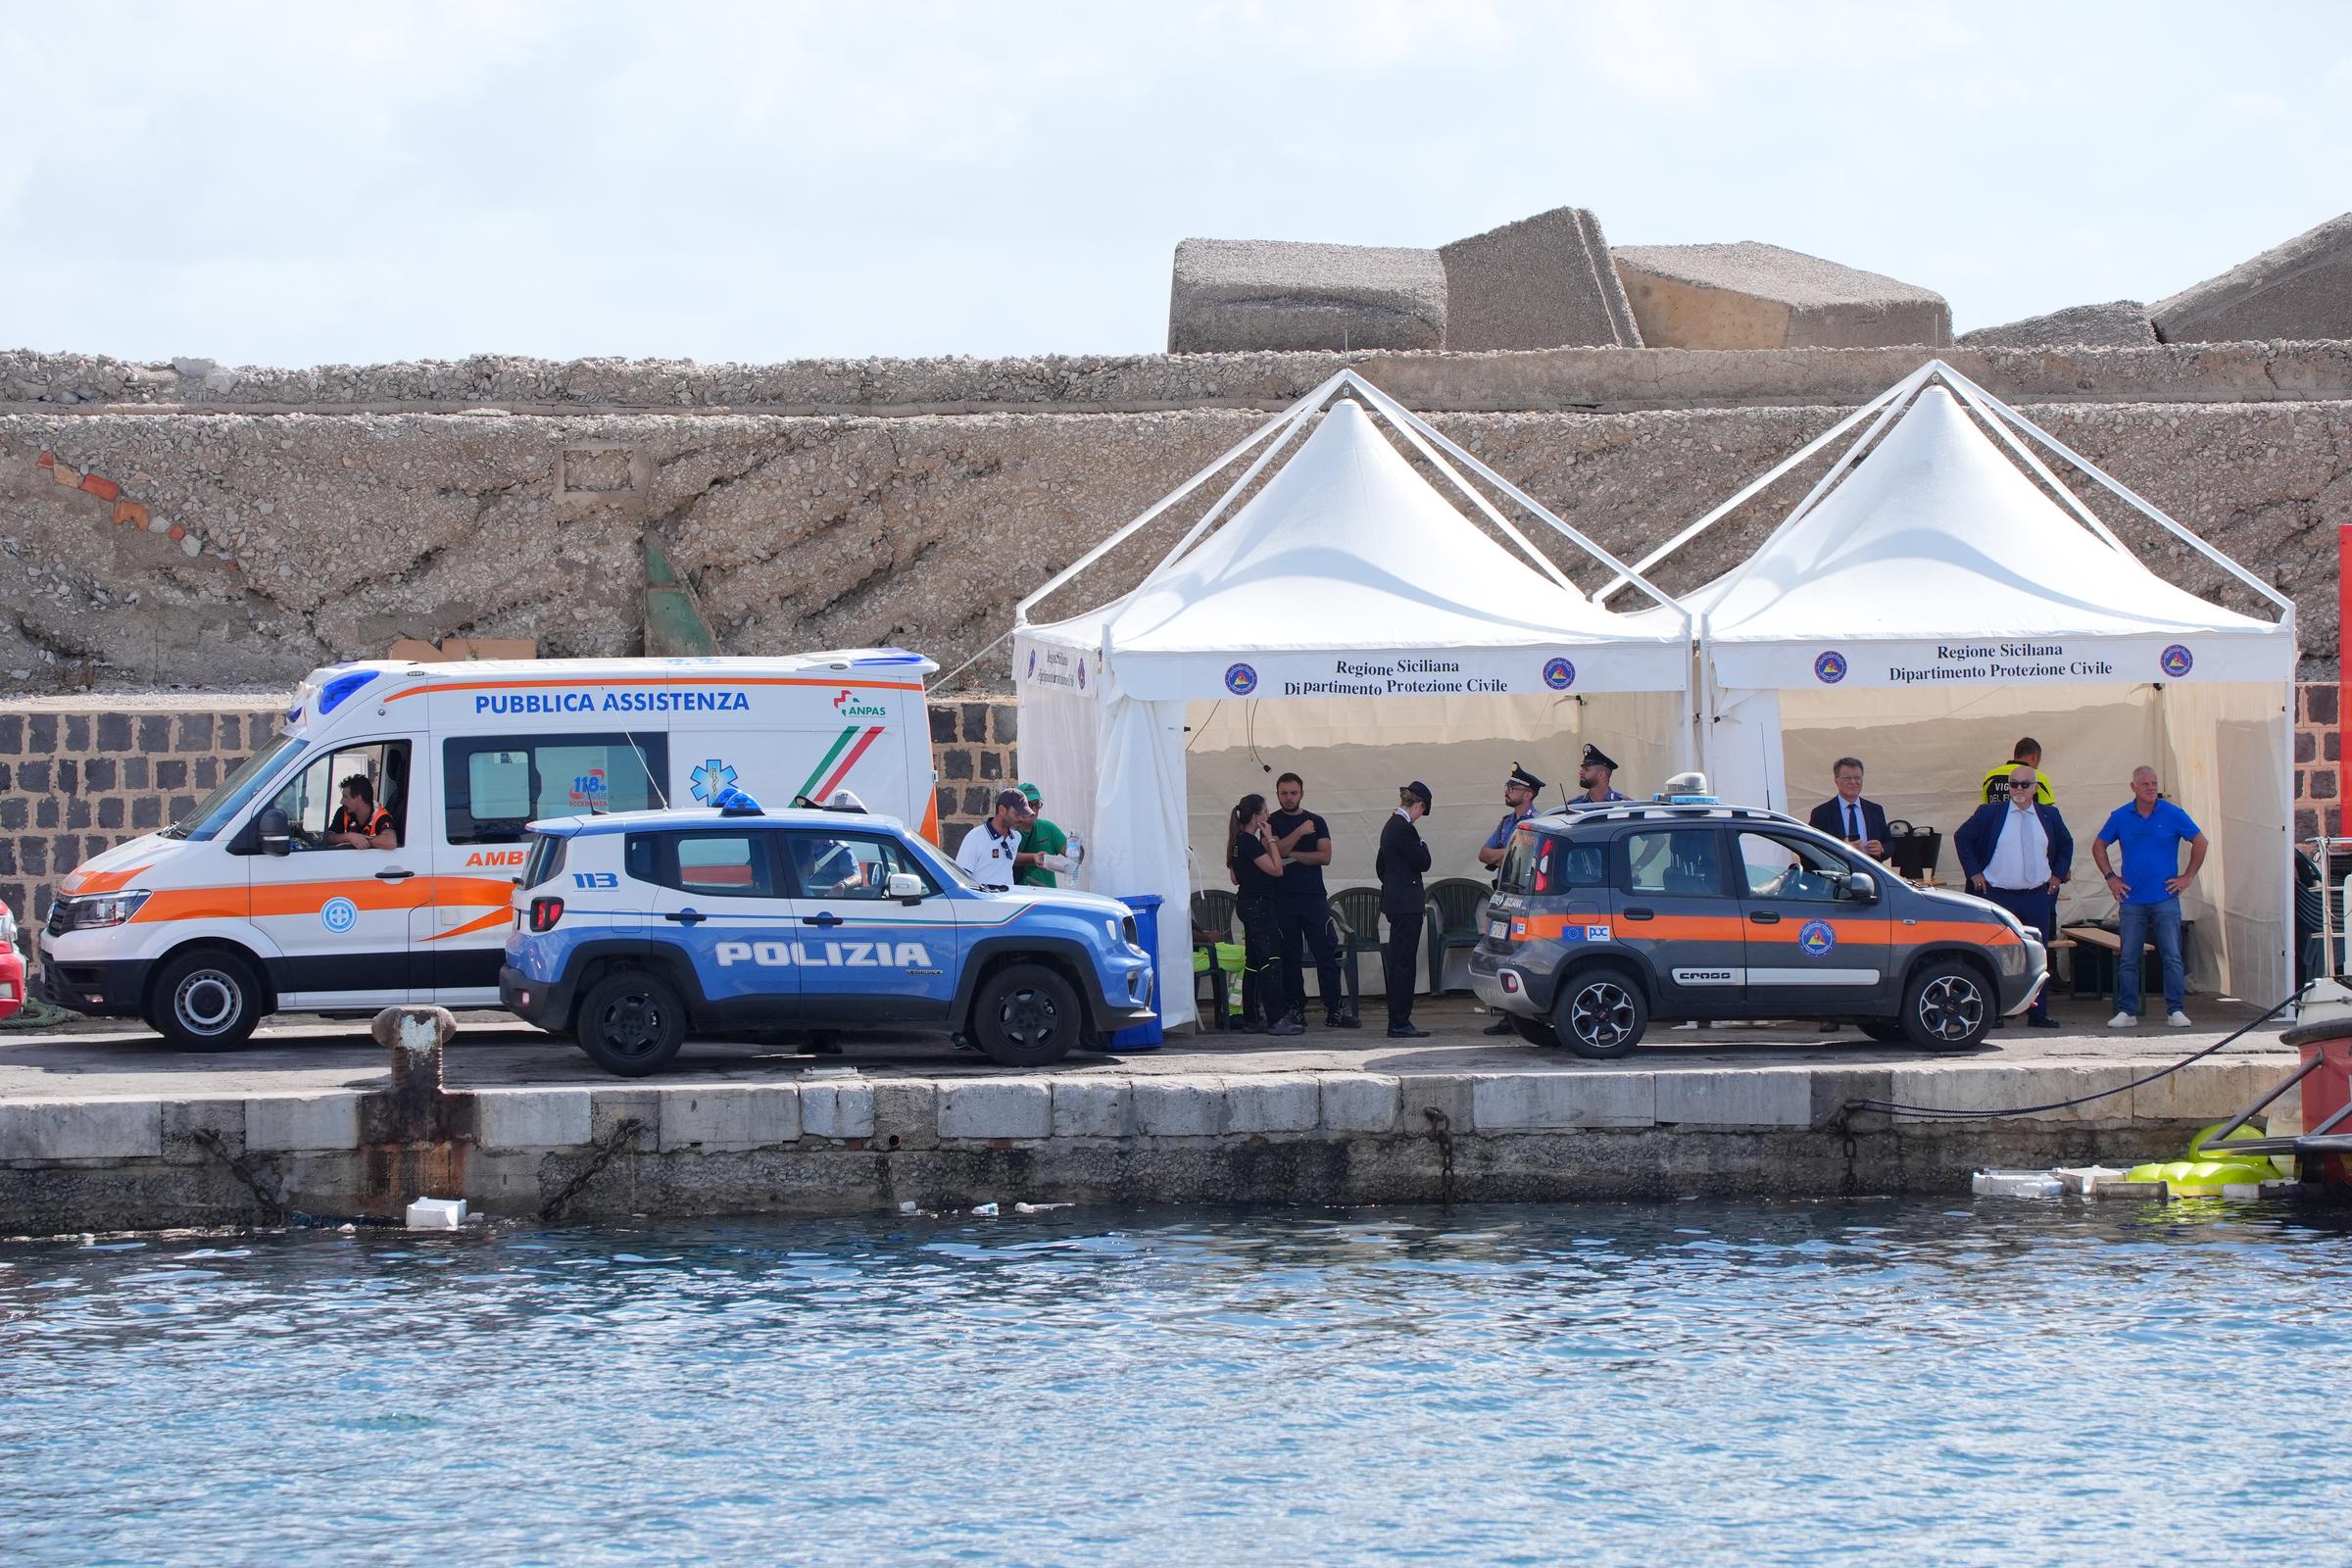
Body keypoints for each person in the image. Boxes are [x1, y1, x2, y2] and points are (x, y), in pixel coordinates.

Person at [1955, 765, 2074, 1028]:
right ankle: (1995, 1012)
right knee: (1996, 954)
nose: (2018, 789)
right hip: (1998, 895)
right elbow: (1962, 837)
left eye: (2024, 784)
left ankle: (2038, 1012)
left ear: (2035, 788)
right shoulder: (1991, 813)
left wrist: (2058, 875)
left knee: (2037, 955)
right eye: (2014, 785)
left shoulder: (2049, 815)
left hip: (2036, 896)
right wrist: (1974, 872)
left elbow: (2066, 844)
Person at [2091, 766, 2207, 1028]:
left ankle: (2175, 1009)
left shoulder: (2172, 813)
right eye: (2144, 784)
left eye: (2154, 783)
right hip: (2132, 898)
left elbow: (2201, 841)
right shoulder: (2121, 816)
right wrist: (2111, 877)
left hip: (2165, 897)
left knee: (2172, 955)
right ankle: (2127, 1011)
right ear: (2133, 787)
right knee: (2129, 956)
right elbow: (2098, 845)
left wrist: (2188, 877)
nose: (2151, 787)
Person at [1267, 772, 1357, 1029]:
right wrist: (1298, 834)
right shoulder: (1272, 821)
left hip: (1314, 898)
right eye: (1284, 793)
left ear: (1302, 793)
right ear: (1277, 795)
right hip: (1283, 899)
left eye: (1293, 793)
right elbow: (1276, 851)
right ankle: (1295, 1008)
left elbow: (1325, 857)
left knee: (1325, 953)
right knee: (1290, 956)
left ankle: (1334, 1010)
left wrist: (1292, 854)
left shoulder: (1317, 821)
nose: (1289, 798)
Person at [1226, 793, 1303, 1037]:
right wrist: (1270, 840)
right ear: (1257, 816)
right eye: (1265, 811)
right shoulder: (1249, 842)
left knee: (1253, 963)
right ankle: (1276, 1018)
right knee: (1271, 961)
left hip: (1247, 902)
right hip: (1260, 905)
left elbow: (1235, 877)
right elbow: (1277, 869)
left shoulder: (1237, 842)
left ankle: (1251, 1017)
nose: (1269, 815)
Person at [1476, 761, 1544, 1033]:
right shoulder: (1506, 823)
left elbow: (1532, 858)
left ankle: (1525, 1016)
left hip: (1525, 896)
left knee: (1521, 952)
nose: (1507, 791)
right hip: (1504, 895)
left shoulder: (1536, 822)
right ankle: (1509, 1017)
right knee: (1503, 952)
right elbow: (1483, 854)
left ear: (1527, 794)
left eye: (1513, 787)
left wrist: (1503, 853)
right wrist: (1511, 851)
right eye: (1508, 786)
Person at [1378, 780, 1434, 1038]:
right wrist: (1423, 844)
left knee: (1399, 960)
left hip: (1396, 901)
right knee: (1404, 963)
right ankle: (1400, 1021)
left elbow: (1381, 866)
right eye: (1423, 810)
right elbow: (1423, 863)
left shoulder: (1390, 826)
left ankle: (1398, 1019)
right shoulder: (1404, 829)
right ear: (1419, 805)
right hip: (1406, 904)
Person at [1806, 757, 1887, 858]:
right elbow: (1812, 848)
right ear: (1836, 780)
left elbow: (1889, 842)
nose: (1853, 782)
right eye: (1847, 778)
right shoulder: (1821, 813)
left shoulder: (1875, 810)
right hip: (1836, 871)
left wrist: (1882, 849)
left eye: (1857, 777)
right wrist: (1840, 848)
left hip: (1870, 871)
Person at [955, 789, 1031, 891]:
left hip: (1008, 902)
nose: (1021, 819)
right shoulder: (975, 837)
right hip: (983, 903)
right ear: (1002, 810)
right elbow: (960, 878)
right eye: (1017, 814)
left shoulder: (1016, 837)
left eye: (1023, 814)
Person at [1014, 782, 1072, 889]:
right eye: (1029, 804)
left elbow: (1073, 853)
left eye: (1037, 804)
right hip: (1019, 896)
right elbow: (1007, 857)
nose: (1034, 809)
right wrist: (1033, 858)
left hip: (1047, 895)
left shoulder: (1048, 828)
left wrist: (1078, 849)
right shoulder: (1009, 830)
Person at [326, 773, 396, 850]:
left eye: (345, 797)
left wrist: (361, 840)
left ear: (359, 798)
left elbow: (390, 842)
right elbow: (328, 837)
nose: (341, 801)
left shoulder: (381, 816)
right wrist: (348, 837)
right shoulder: (343, 811)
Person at [1980, 736, 2054, 807]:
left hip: (1997, 820)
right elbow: (2048, 814)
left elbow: (1985, 808)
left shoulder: (1990, 776)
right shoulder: (2038, 778)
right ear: (2034, 757)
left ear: (2015, 755)